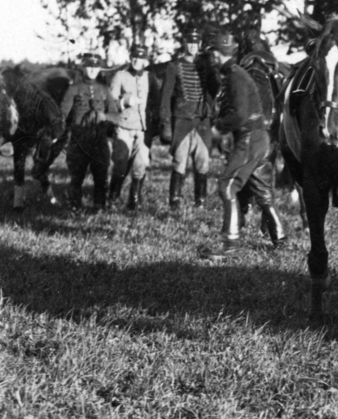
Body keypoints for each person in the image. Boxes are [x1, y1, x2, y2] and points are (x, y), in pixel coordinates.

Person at [202, 32, 285, 259]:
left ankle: (230, 245)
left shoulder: (235, 76)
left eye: (212, 53)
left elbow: (239, 115)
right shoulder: (235, 73)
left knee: (227, 186)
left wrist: (218, 127)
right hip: (258, 138)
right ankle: (280, 239)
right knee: (262, 190)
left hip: (249, 139)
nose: (211, 58)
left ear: (217, 54)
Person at [160, 29, 214, 210]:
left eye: (196, 43)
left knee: (203, 161)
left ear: (200, 44)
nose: (192, 46)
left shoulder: (207, 66)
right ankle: (174, 201)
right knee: (179, 161)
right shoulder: (174, 66)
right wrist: (166, 124)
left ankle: (201, 202)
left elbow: (214, 91)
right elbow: (165, 97)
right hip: (182, 121)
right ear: (185, 43)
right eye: (189, 42)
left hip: (202, 122)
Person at [59, 51, 119, 210]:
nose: (92, 70)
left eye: (96, 67)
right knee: (76, 175)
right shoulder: (74, 89)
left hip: (99, 139)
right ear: (83, 68)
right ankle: (75, 207)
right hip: (79, 138)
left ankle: (99, 207)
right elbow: (63, 114)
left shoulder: (104, 90)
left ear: (100, 69)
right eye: (89, 66)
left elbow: (115, 116)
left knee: (101, 174)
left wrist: (103, 116)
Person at [108, 43, 151, 211]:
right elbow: (110, 103)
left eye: (140, 57)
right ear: (130, 57)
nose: (136, 60)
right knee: (120, 162)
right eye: (134, 56)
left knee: (141, 164)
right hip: (124, 126)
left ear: (145, 60)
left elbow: (155, 101)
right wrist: (124, 101)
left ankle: (134, 201)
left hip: (142, 128)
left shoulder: (149, 77)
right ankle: (113, 198)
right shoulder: (120, 75)